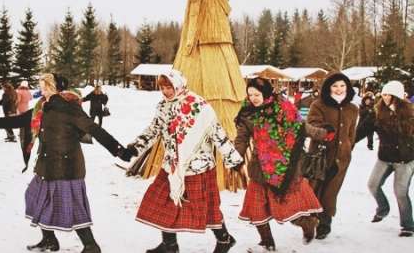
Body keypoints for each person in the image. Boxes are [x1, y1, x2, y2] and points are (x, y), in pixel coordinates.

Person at [0, 73, 125, 253]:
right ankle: (49, 240)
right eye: (41, 86)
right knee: (36, 198)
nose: (41, 91)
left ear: (55, 88)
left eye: (45, 87)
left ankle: (91, 246)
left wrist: (118, 150)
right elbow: (19, 120)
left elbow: (94, 129)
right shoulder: (42, 107)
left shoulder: (69, 108)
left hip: (67, 166)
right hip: (46, 163)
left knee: (73, 206)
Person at [122, 70, 243, 253]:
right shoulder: (163, 106)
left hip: (197, 167)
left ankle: (224, 239)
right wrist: (135, 147)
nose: (165, 91)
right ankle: (170, 245)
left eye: (169, 87)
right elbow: (153, 130)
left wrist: (232, 158)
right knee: (164, 203)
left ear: (178, 85)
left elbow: (217, 132)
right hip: (171, 165)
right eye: (162, 87)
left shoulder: (199, 105)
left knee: (207, 207)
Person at [167, 0, 247, 191]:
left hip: (200, 53)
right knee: (223, 97)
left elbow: (191, 30)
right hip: (217, 58)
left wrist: (188, 48)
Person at [234, 78, 329, 252]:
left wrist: (322, 134)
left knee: (288, 206)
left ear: (267, 93)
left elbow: (302, 127)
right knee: (256, 208)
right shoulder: (247, 112)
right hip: (260, 168)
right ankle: (267, 242)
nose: (253, 98)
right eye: (250, 94)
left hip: (284, 167)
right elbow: (242, 138)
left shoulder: (283, 107)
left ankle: (308, 223)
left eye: (257, 94)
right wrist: (236, 157)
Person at [306, 72, 358, 240]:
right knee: (315, 189)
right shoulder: (318, 105)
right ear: (329, 87)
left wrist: (348, 148)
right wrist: (324, 131)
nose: (338, 89)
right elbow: (312, 125)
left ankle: (325, 223)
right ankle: (310, 220)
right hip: (320, 156)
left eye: (342, 86)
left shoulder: (352, 108)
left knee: (331, 192)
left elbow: (352, 133)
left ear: (347, 88)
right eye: (335, 86)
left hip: (341, 158)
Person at [365, 81, 414, 237]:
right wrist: (349, 143)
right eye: (384, 94)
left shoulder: (410, 113)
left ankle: (407, 225)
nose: (385, 98)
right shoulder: (378, 111)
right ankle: (383, 208)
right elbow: (363, 129)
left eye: (389, 95)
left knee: (400, 192)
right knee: (372, 185)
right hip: (385, 157)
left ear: (397, 96)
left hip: (405, 160)